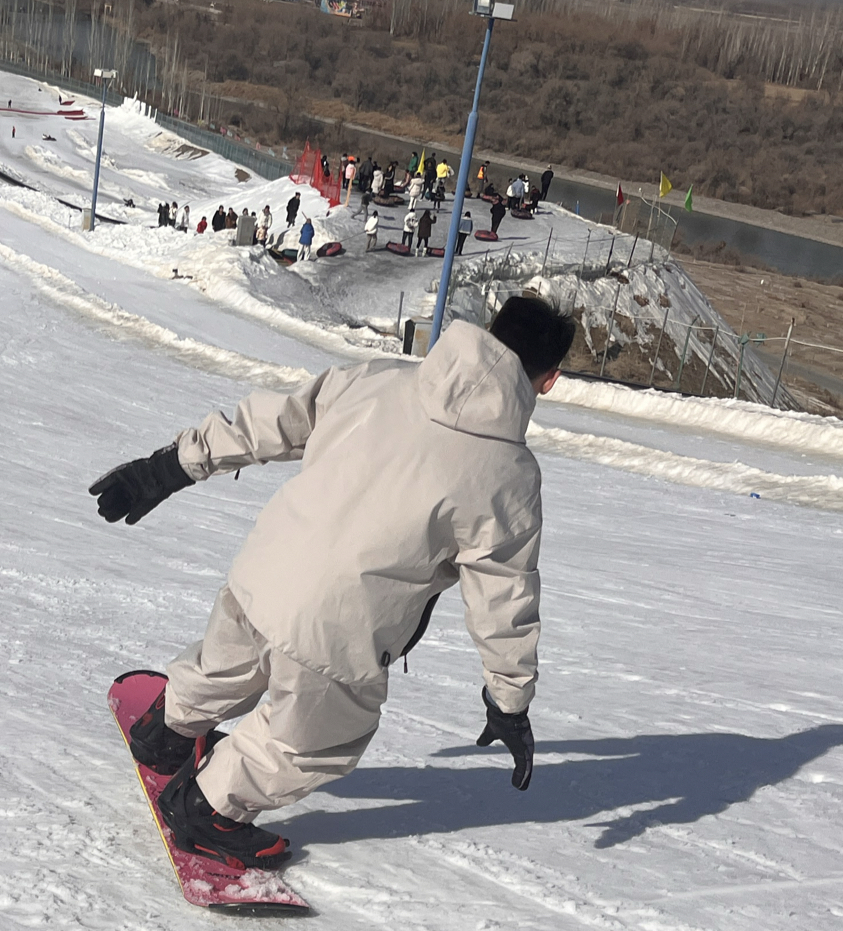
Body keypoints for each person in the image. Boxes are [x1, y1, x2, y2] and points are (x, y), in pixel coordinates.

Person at [89, 295, 576, 867]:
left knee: (230, 663)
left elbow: (273, 422)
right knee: (315, 738)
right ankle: (207, 808)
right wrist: (510, 701)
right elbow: (504, 597)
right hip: (339, 627)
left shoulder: (382, 380)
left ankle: (167, 729)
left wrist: (169, 467)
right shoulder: (508, 476)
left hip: (264, 569)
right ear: (549, 380)